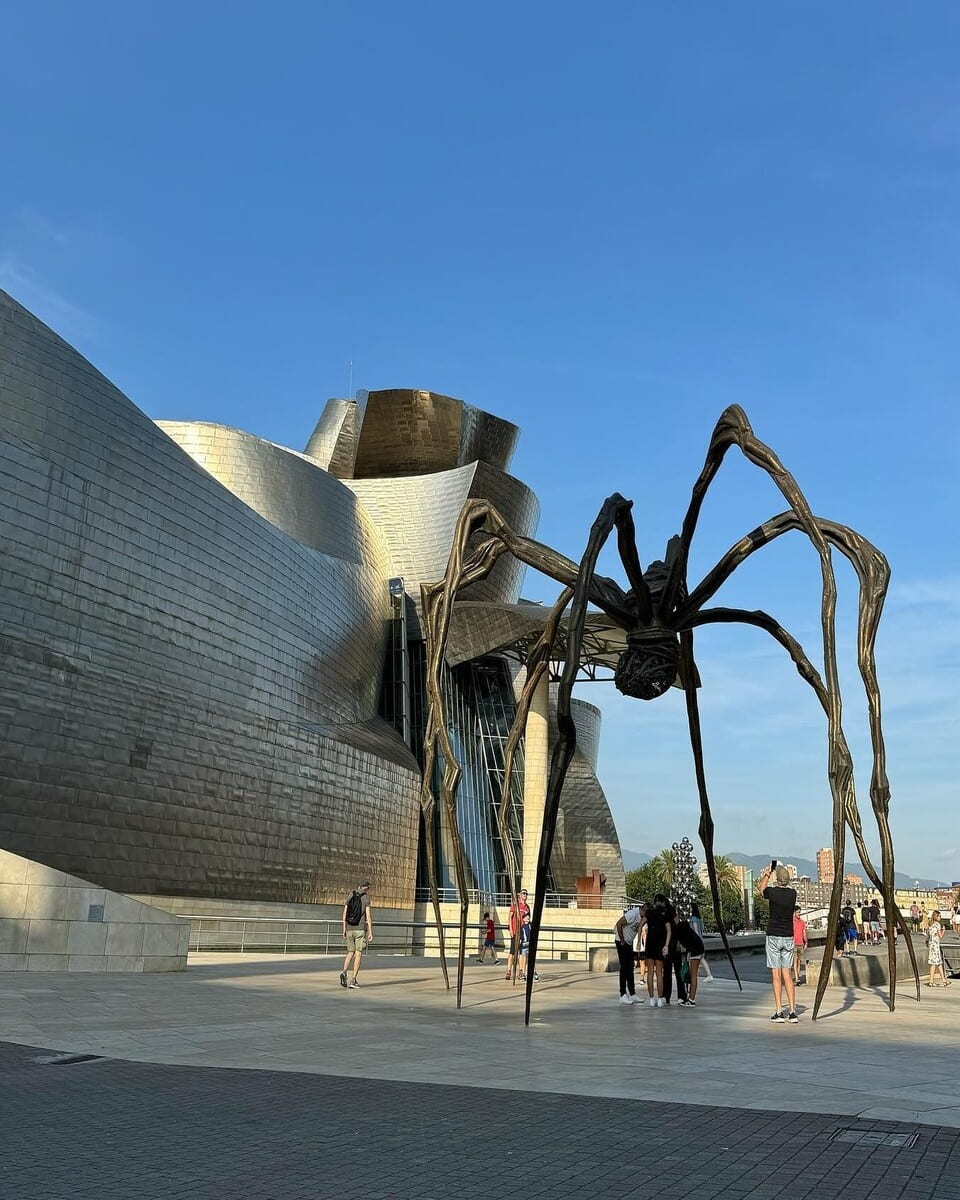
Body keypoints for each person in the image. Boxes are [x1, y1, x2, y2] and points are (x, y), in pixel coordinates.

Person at [757, 864, 799, 1023]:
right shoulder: (792, 894)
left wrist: (767, 875)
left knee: (776, 975)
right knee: (787, 974)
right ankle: (793, 1011)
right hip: (788, 936)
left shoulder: (772, 892)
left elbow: (761, 890)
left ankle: (779, 1011)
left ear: (777, 879)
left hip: (773, 935)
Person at [340, 881, 373, 989]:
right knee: (358, 954)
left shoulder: (351, 895)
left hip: (349, 928)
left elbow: (344, 913)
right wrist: (370, 932)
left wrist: (344, 928)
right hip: (359, 930)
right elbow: (368, 916)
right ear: (367, 888)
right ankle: (353, 980)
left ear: (359, 886)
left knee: (350, 953)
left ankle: (344, 972)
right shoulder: (366, 898)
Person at [643, 895, 672, 1007]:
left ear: (655, 903)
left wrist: (640, 939)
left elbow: (641, 925)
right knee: (659, 973)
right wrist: (666, 945)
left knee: (649, 973)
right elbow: (669, 930)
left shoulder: (649, 913)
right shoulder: (664, 914)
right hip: (660, 945)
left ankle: (651, 998)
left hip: (650, 944)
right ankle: (660, 999)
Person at [658, 895, 687, 1006]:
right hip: (668, 945)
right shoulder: (663, 913)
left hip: (673, 944)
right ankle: (674, 995)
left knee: (672, 971)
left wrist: (678, 942)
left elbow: (677, 925)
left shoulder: (669, 911)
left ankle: (675, 995)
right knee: (669, 971)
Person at [614, 902, 644, 1005]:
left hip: (629, 942)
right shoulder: (633, 914)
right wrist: (622, 940)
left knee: (630, 967)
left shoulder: (642, 917)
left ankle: (632, 993)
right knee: (624, 968)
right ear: (643, 910)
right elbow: (619, 923)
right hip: (622, 941)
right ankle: (622, 994)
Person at [672, 915, 705, 1006]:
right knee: (692, 975)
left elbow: (679, 944)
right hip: (697, 947)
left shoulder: (677, 930)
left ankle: (691, 1000)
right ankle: (690, 998)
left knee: (693, 975)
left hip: (695, 950)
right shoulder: (684, 924)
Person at [506, 889, 530, 981]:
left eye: (526, 894)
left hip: (523, 932)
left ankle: (521, 971)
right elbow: (510, 917)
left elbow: (527, 919)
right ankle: (509, 970)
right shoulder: (515, 905)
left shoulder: (527, 907)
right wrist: (511, 929)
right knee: (512, 951)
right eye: (523, 893)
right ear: (520, 895)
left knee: (522, 952)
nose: (525, 895)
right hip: (515, 931)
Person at [689, 901, 714, 982]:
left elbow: (695, 930)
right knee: (701, 958)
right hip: (701, 940)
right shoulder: (699, 918)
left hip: (696, 941)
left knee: (693, 958)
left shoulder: (693, 918)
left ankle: (692, 975)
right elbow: (701, 930)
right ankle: (709, 975)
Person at [927, 910, 950, 988]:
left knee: (934, 963)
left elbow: (929, 936)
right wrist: (943, 930)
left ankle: (933, 981)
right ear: (936, 916)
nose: (940, 917)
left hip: (931, 945)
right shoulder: (937, 925)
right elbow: (940, 936)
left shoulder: (930, 924)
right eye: (939, 916)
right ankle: (942, 980)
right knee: (938, 963)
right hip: (936, 945)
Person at [517, 912, 538, 981]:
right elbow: (520, 937)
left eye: (528, 916)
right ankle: (523, 973)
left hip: (530, 944)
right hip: (524, 945)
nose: (528, 917)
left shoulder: (530, 925)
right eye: (526, 917)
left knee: (531, 959)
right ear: (523, 919)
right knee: (524, 959)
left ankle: (534, 972)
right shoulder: (522, 927)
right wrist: (519, 945)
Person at [792, 906, 808, 985]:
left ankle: (797, 977)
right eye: (798, 912)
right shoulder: (791, 922)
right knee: (795, 961)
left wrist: (806, 942)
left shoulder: (802, 922)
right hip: (794, 943)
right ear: (794, 913)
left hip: (801, 943)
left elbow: (804, 933)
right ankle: (797, 978)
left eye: (800, 912)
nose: (799, 914)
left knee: (799, 962)